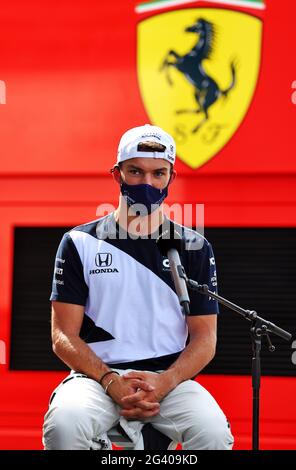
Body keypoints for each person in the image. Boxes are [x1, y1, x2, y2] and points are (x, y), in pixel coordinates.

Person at [43, 124, 234, 450]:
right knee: (64, 424)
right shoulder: (79, 242)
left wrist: (165, 382)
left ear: (171, 178)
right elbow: (63, 335)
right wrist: (110, 381)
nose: (148, 183)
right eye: (135, 171)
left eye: (158, 173)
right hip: (96, 379)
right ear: (117, 174)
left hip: (170, 380)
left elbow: (206, 337)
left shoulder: (193, 246)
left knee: (213, 433)